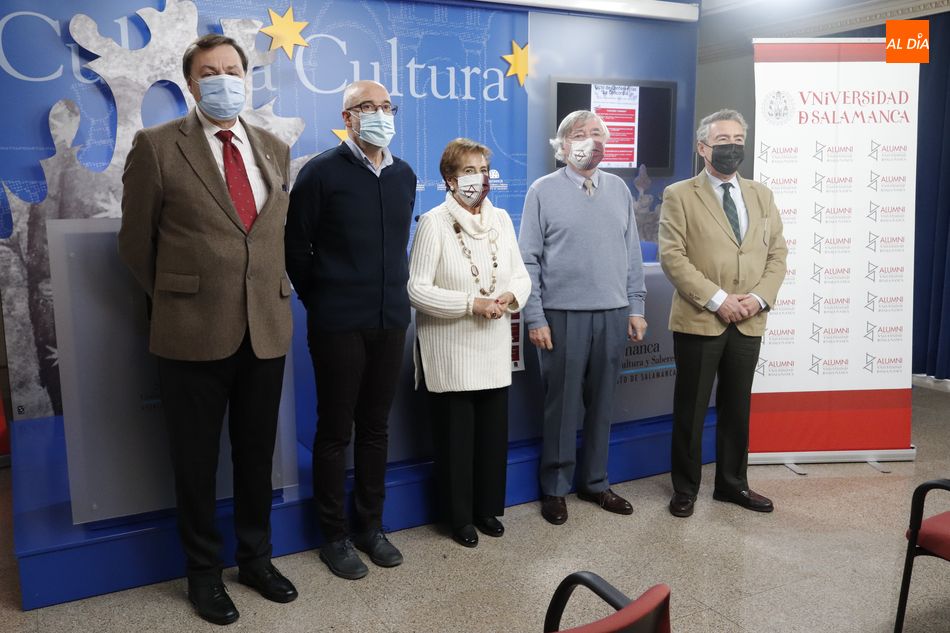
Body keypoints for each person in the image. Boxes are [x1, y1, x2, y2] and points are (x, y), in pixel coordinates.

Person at [118, 34, 297, 625]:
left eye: (232, 70)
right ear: (192, 84)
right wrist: (180, 297)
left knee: (255, 454)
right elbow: (135, 245)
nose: (224, 79)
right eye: (210, 71)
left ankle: (256, 559)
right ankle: (202, 573)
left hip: (265, 327)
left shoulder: (273, 147)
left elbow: (271, 237)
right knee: (194, 461)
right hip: (191, 330)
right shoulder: (157, 146)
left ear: (246, 79)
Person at [285, 80, 416, 580]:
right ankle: (333, 536)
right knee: (335, 431)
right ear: (348, 117)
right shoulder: (320, 173)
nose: (380, 114)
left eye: (387, 106)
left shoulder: (403, 174)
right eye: (368, 106)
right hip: (338, 323)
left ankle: (370, 527)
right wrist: (322, 301)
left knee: (377, 429)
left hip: (389, 320)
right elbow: (296, 249)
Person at [519, 110, 648, 526]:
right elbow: (528, 260)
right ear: (562, 145)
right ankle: (555, 488)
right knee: (561, 408)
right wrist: (535, 317)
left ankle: (595, 482)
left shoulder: (618, 189)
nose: (588, 140)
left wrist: (636, 306)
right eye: (579, 134)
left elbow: (631, 255)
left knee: (603, 405)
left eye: (596, 133)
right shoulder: (542, 190)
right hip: (561, 316)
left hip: (612, 313)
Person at [658, 108, 788, 519]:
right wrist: (718, 299)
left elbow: (778, 254)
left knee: (737, 406)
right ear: (702, 148)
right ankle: (686, 488)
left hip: (750, 319)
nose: (732, 148)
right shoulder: (679, 194)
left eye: (738, 141)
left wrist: (759, 297)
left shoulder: (761, 194)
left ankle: (732, 485)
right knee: (691, 408)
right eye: (723, 141)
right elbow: (672, 257)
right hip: (701, 319)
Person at [408, 138, 531, 548]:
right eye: (467, 171)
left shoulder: (501, 220)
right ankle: (459, 517)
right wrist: (470, 304)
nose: (476, 178)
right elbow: (417, 290)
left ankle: (485, 510)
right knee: (456, 442)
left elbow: (520, 275)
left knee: (492, 439)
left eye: (481, 169)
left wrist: (510, 298)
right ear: (449, 179)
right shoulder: (433, 222)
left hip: (493, 350)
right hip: (452, 353)